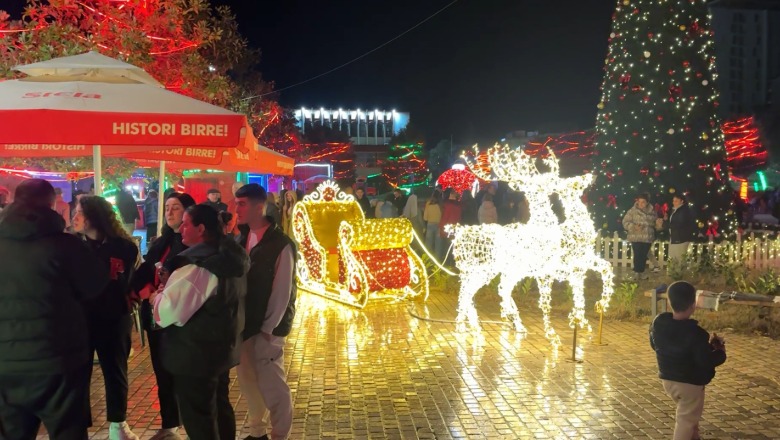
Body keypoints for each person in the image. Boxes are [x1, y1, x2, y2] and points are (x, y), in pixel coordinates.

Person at [0, 179, 109, 440]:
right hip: (59, 359)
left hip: (6, 361)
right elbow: (95, 286)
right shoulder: (66, 246)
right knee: (67, 431)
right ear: (52, 203)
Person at [151, 205, 248, 440]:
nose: (181, 228)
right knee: (220, 409)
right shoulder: (230, 258)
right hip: (220, 350)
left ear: (201, 228)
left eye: (186, 223)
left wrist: (157, 297)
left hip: (195, 355)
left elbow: (166, 311)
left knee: (200, 420)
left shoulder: (200, 266)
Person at [72, 196, 141, 440]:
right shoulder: (73, 246)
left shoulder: (125, 247)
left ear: (94, 217)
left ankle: (117, 424)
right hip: (80, 321)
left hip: (114, 318)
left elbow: (128, 281)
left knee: (116, 372)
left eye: (79, 212)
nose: (74, 217)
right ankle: (77, 426)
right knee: (78, 374)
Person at [129, 192, 196, 440]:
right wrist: (147, 291)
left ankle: (188, 422)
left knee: (181, 372)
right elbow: (144, 271)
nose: (169, 212)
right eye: (167, 207)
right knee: (162, 371)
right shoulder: (161, 242)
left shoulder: (191, 246)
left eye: (176, 208)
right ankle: (170, 423)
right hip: (156, 318)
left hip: (179, 319)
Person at [234, 183, 297, 440]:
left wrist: (269, 329)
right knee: (248, 379)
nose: (236, 209)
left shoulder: (280, 244)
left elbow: (282, 290)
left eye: (242, 204)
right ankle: (257, 431)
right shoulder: (241, 238)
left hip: (267, 326)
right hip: (245, 323)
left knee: (272, 383)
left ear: (259, 206)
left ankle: (280, 433)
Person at [650, 281, 727, 440]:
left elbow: (654, 344)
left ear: (670, 302)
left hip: (668, 379)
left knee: (689, 414)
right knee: (686, 420)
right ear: (693, 305)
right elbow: (704, 360)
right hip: (690, 384)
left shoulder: (659, 324)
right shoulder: (697, 334)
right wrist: (719, 351)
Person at [622, 193, 658, 280]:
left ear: (647, 202)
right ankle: (636, 272)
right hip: (636, 237)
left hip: (647, 237)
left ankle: (641, 272)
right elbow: (625, 222)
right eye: (639, 202)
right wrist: (634, 227)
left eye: (643, 202)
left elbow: (655, 224)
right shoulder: (632, 211)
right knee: (637, 254)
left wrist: (659, 224)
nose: (641, 204)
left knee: (643, 255)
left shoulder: (652, 211)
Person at [664, 194, 696, 265]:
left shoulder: (684, 211)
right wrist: (666, 220)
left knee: (679, 259)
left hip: (681, 238)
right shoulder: (675, 210)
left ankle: (679, 274)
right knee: (674, 258)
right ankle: (675, 273)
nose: (674, 202)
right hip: (674, 237)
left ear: (682, 201)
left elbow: (680, 224)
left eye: (676, 201)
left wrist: (665, 225)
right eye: (673, 201)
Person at [423, 191, 443, 259]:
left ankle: (427, 258)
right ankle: (438, 260)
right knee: (438, 244)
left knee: (428, 243)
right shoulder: (440, 205)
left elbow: (425, 217)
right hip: (438, 225)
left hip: (430, 224)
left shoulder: (428, 204)